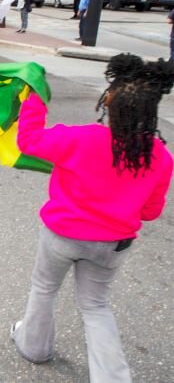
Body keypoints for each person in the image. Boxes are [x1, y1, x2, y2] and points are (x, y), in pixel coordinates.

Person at [11, 53, 174, 383]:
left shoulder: (81, 138)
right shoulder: (160, 156)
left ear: (109, 103)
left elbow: (27, 140)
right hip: (112, 244)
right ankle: (113, 378)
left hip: (62, 235)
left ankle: (34, 347)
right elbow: (151, 212)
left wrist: (33, 98)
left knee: (44, 288)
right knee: (96, 306)